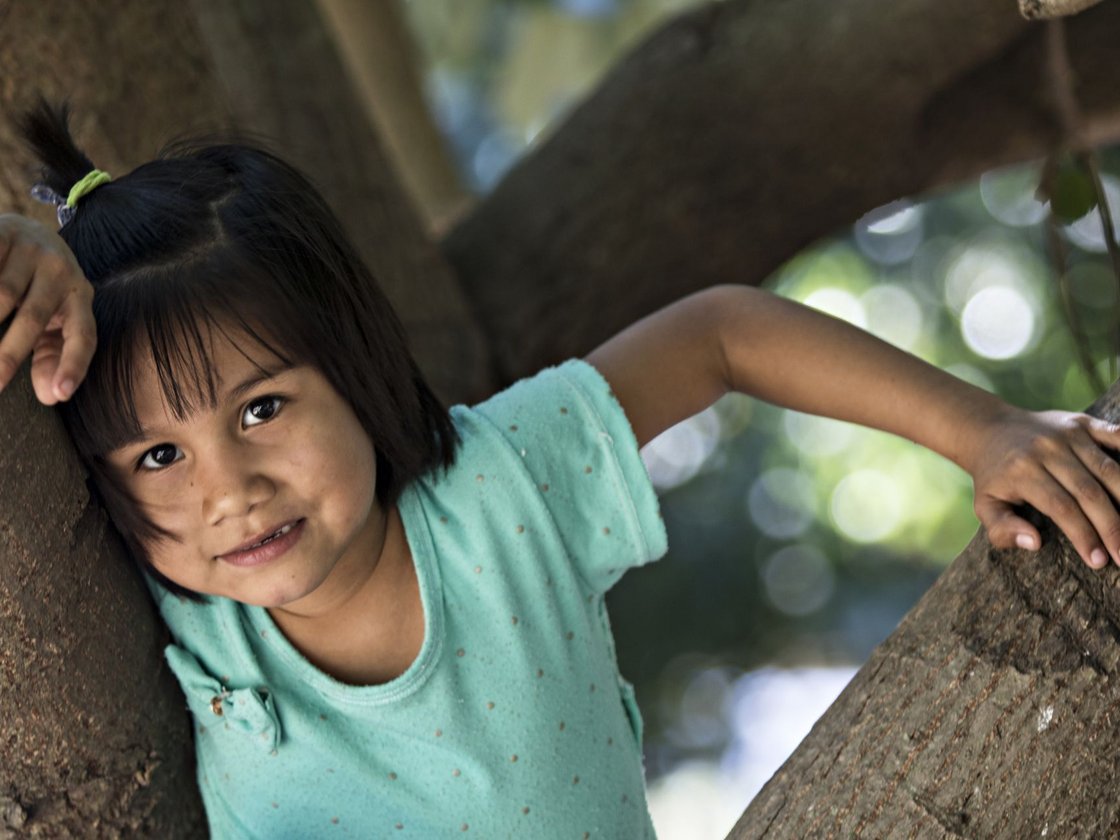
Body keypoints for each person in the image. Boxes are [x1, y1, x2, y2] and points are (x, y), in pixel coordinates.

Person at [3, 100, 1120, 838]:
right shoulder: (169, 601)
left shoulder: (502, 492)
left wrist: (983, 430)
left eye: (262, 407)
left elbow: (720, 335)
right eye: (159, 453)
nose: (227, 490)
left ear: (352, 365)